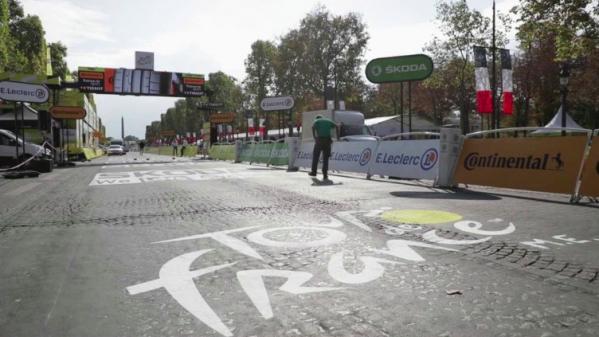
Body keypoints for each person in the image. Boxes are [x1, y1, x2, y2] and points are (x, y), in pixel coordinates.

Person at [309, 115, 339, 180]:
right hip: (328, 140)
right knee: (326, 158)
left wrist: (314, 137)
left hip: (319, 140)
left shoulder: (316, 121)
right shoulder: (328, 120)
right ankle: (325, 174)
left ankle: (314, 172)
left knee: (316, 156)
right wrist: (338, 137)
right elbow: (336, 126)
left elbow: (312, 127)